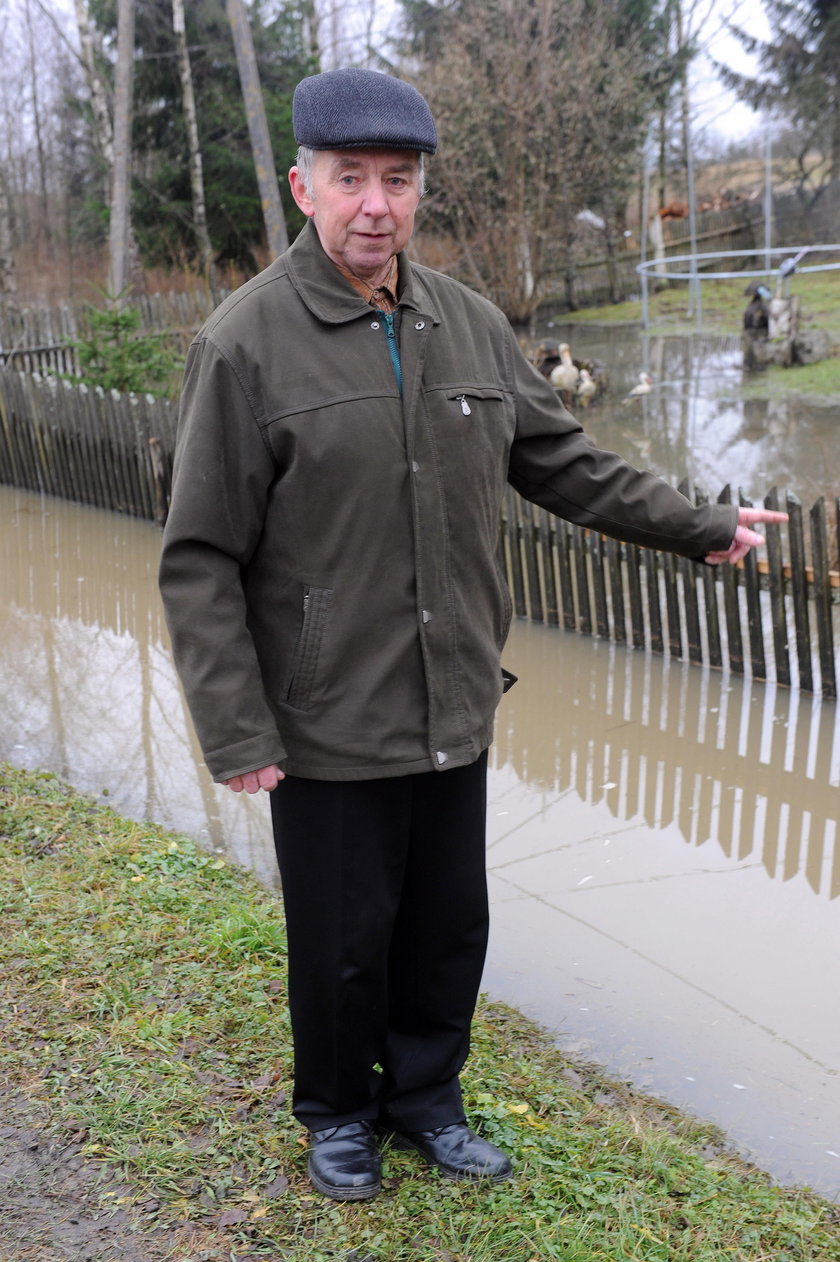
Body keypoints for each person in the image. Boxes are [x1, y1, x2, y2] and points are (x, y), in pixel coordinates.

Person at [158, 67, 786, 1202]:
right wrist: (235, 723)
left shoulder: (470, 324)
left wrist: (702, 527)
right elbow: (199, 556)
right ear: (303, 185)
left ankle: (427, 1099)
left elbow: (566, 464)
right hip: (325, 712)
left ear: (416, 194)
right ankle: (340, 1109)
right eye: (349, 178)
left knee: (448, 924)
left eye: (396, 181)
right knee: (344, 938)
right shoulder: (243, 345)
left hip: (452, 693)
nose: (374, 205)